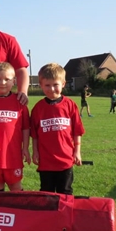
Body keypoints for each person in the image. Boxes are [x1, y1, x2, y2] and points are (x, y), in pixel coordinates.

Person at [30, 63, 85, 194]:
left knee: (65, 192)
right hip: (46, 161)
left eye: (55, 85)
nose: (52, 89)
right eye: (47, 85)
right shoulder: (38, 109)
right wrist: (35, 152)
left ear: (63, 84)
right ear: (41, 85)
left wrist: (77, 152)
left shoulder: (70, 105)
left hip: (65, 159)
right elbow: (35, 134)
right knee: (46, 193)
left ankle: (64, 215)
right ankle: (48, 215)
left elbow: (77, 131)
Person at [0, 62, 30, 191]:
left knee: (16, 187)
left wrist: (25, 148)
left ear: (14, 81)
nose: (3, 82)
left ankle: (19, 211)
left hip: (13, 155)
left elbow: (25, 128)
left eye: (7, 79)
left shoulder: (20, 102)